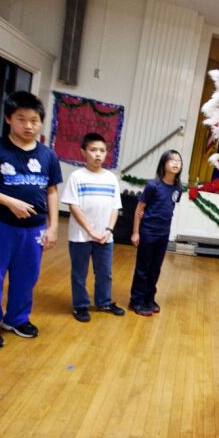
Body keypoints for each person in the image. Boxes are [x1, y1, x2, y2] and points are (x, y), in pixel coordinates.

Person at [0, 91, 62, 348]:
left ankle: (17, 319)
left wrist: (53, 226)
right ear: (9, 119)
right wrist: (9, 201)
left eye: (34, 120)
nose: (28, 125)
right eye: (21, 119)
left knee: (27, 276)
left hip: (34, 228)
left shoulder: (48, 155)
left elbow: (52, 190)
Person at [61, 132, 125, 322]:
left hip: (105, 236)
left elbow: (115, 207)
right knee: (79, 273)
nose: (98, 154)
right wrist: (90, 230)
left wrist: (109, 230)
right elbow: (73, 206)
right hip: (80, 236)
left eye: (102, 150)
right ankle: (80, 305)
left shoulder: (111, 178)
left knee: (105, 272)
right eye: (93, 150)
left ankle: (104, 301)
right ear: (83, 152)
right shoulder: (76, 177)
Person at [128, 150, 183, 316]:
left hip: (163, 233)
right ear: (163, 163)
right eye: (172, 160)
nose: (176, 163)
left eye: (179, 161)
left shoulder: (178, 188)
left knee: (155, 268)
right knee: (143, 268)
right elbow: (139, 209)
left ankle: (148, 298)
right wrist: (136, 232)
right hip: (148, 232)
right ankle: (136, 301)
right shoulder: (153, 185)